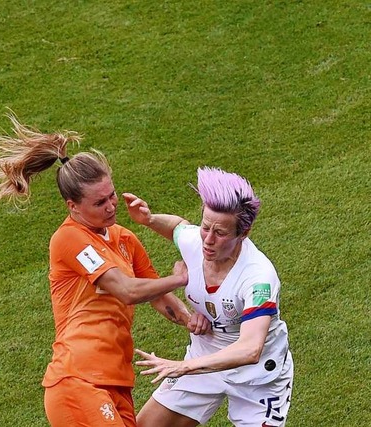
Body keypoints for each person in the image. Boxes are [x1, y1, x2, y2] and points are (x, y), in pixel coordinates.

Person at [0, 112, 208, 427]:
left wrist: (192, 322)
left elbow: (158, 296)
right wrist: (180, 277)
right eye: (100, 202)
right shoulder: (69, 238)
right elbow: (128, 291)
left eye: (112, 194)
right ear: (73, 206)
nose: (112, 205)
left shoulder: (124, 239)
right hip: (78, 381)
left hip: (116, 383)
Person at [123, 167, 293, 427]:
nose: (208, 240)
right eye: (205, 227)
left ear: (243, 234)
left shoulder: (258, 278)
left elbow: (250, 349)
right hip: (203, 361)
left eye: (221, 233)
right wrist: (149, 219)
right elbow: (178, 227)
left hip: (257, 379)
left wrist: (184, 367)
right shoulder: (196, 241)